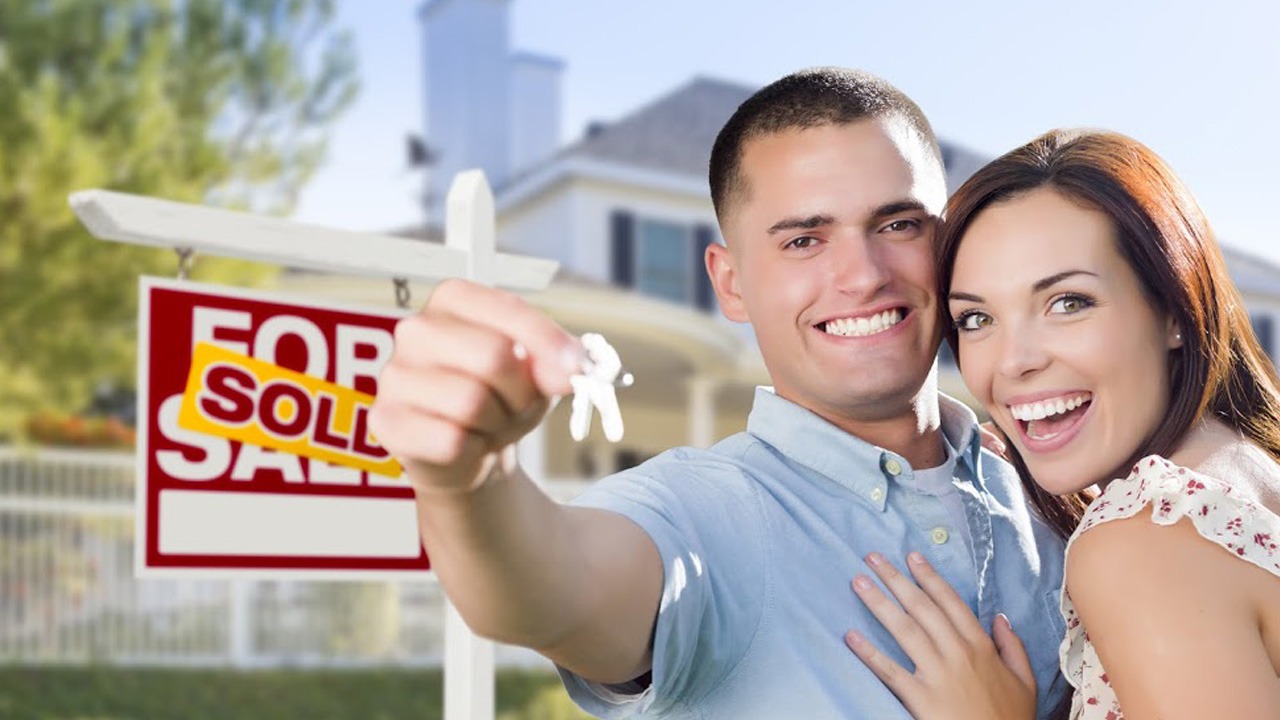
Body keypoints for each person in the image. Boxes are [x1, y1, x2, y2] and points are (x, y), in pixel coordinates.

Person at [368, 67, 1069, 718]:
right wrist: (470, 485)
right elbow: (555, 589)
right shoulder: (702, 511)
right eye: (804, 241)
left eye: (898, 224)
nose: (863, 275)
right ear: (730, 282)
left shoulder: (1049, 489)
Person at [842, 129, 1280, 719]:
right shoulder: (1246, 467)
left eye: (1068, 302)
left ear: (1175, 310)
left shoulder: (1146, 541)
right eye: (975, 318)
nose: (1014, 361)